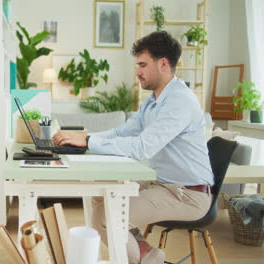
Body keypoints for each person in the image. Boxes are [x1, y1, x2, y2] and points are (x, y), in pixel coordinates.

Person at [52, 31, 213, 264]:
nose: (137, 72)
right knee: (99, 190)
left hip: (188, 195)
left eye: (142, 65)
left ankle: (147, 259)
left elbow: (142, 147)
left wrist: (87, 142)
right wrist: (84, 136)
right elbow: (123, 132)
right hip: (163, 184)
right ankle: (147, 254)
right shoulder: (153, 100)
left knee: (108, 216)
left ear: (163, 64)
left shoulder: (180, 101)